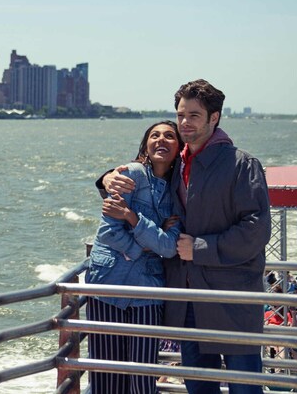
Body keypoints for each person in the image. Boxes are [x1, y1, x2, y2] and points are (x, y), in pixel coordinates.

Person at [102, 79, 271, 394]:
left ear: (214, 118)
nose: (184, 123)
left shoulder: (242, 164)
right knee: (198, 388)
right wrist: (108, 177)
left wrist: (200, 248)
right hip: (187, 300)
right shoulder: (176, 162)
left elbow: (257, 228)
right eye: (180, 115)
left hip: (233, 300)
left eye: (194, 115)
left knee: (245, 388)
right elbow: (139, 178)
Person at [85, 120, 183, 393]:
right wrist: (147, 244)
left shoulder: (180, 191)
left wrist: (131, 217)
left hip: (147, 289)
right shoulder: (131, 175)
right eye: (154, 135)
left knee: (143, 379)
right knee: (106, 379)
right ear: (146, 145)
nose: (161, 140)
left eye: (169, 136)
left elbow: (168, 247)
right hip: (107, 285)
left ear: (180, 147)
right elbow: (107, 233)